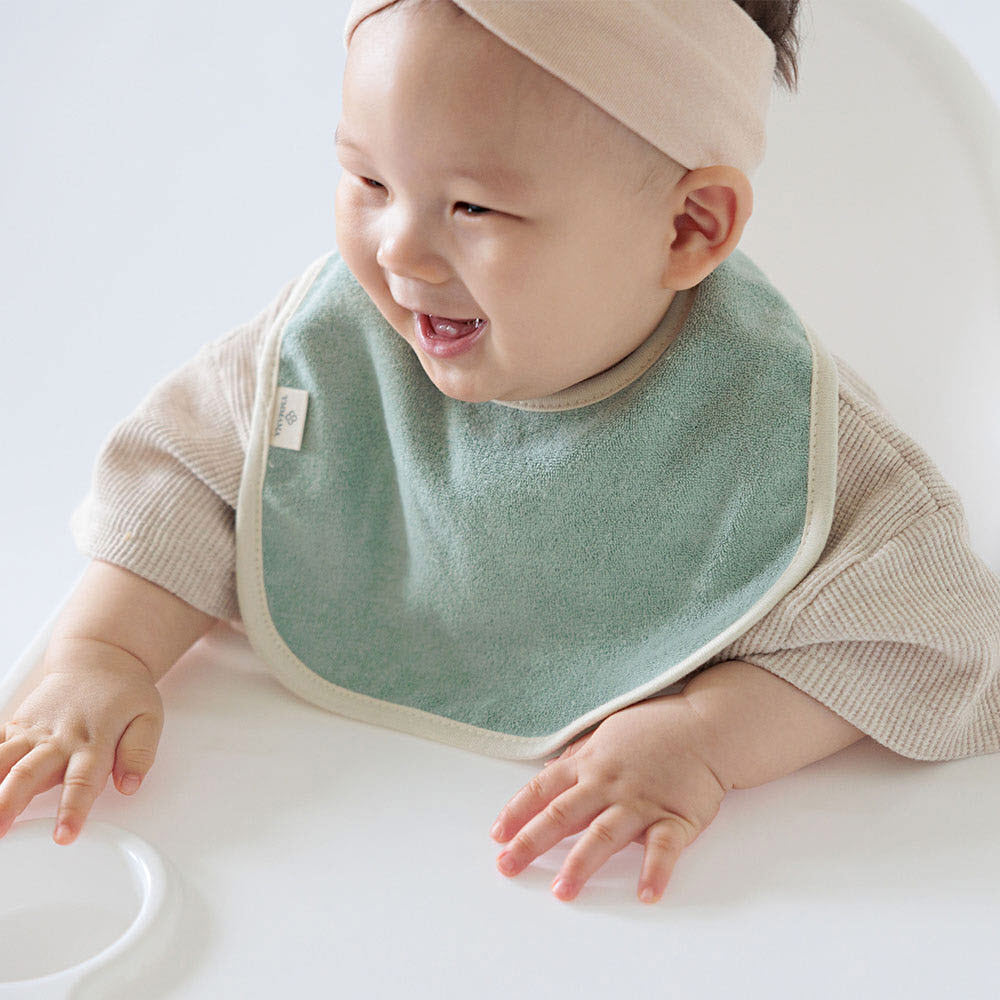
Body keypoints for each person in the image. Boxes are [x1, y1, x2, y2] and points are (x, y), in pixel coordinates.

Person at [2, 0, 999, 907]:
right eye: (368, 180)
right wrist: (103, 651)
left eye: (473, 207)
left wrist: (705, 736)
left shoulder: (771, 427)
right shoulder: (338, 347)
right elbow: (191, 475)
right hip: (302, 859)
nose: (399, 250)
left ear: (690, 228)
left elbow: (931, 637)